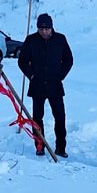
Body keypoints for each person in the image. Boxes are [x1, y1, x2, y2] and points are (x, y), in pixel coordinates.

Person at [18, 13, 73, 157]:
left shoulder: (60, 39)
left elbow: (68, 59)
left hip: (55, 86)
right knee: (37, 118)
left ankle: (61, 148)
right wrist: (31, 75)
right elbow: (22, 61)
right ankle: (39, 146)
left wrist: (61, 75)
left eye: (47, 29)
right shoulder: (31, 40)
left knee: (60, 117)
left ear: (51, 27)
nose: (44, 31)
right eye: (41, 29)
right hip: (38, 86)